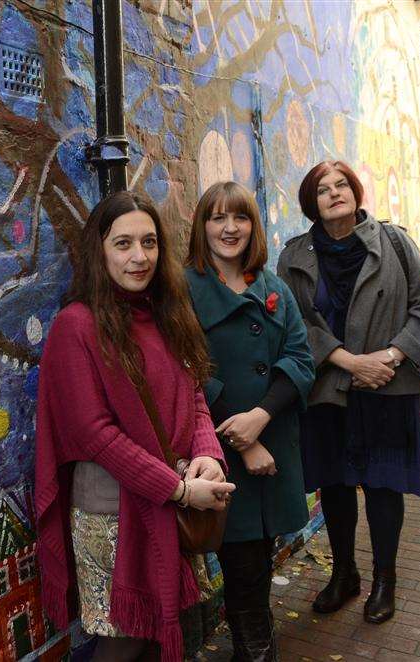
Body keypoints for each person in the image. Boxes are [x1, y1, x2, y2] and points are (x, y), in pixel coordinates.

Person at [35, 191, 236, 662]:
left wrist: (208, 454)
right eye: (123, 244)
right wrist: (182, 492)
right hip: (113, 513)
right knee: (122, 641)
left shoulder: (167, 314)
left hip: (169, 495)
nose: (139, 256)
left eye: (149, 242)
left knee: (148, 640)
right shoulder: (77, 326)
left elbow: (195, 395)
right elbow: (94, 434)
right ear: (99, 251)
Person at [277, 161, 420, 624]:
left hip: (388, 389)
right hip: (328, 389)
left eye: (342, 185)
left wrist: (389, 358)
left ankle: (384, 582)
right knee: (334, 484)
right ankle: (344, 574)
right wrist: (351, 362)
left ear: (355, 191)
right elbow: (295, 326)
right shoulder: (293, 257)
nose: (334, 193)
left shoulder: (394, 243)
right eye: (323, 189)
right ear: (311, 202)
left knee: (384, 487)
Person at [184, 181, 315, 661]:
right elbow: (187, 372)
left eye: (239, 217)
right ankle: (256, 650)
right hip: (219, 452)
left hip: (274, 441)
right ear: (202, 227)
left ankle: (259, 642)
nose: (229, 228)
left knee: (259, 557)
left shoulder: (273, 285)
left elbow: (301, 357)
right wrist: (242, 441)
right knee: (240, 561)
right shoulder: (184, 290)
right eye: (217, 218)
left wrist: (261, 417)